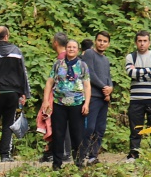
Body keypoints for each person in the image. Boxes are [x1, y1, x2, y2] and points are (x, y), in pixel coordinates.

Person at [40, 33, 90, 169]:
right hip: (59, 103)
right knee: (58, 134)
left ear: (78, 50)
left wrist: (86, 103)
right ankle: (57, 164)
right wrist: (46, 100)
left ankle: (78, 163)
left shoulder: (82, 65)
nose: (71, 49)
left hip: (77, 104)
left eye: (74, 47)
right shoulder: (58, 64)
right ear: (66, 48)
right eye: (69, 47)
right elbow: (49, 82)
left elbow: (87, 85)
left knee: (77, 134)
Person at [0, 26, 30, 161]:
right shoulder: (16, 51)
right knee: (9, 122)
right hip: (13, 92)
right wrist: (24, 93)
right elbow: (23, 73)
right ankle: (5, 155)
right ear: (6, 36)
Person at [126, 30, 151, 159]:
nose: (142, 44)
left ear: (149, 42)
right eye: (139, 41)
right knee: (135, 128)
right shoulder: (131, 57)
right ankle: (133, 154)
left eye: (144, 41)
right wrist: (148, 71)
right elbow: (130, 73)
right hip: (136, 99)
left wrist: (138, 72)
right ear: (136, 42)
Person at [81, 31, 113, 163]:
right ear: (95, 41)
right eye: (100, 40)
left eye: (105, 41)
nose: (102, 43)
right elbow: (90, 74)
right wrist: (104, 88)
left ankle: (93, 155)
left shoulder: (106, 59)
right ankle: (82, 154)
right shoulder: (89, 54)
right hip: (92, 96)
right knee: (89, 127)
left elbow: (108, 77)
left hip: (103, 98)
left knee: (100, 128)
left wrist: (110, 88)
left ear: (108, 44)